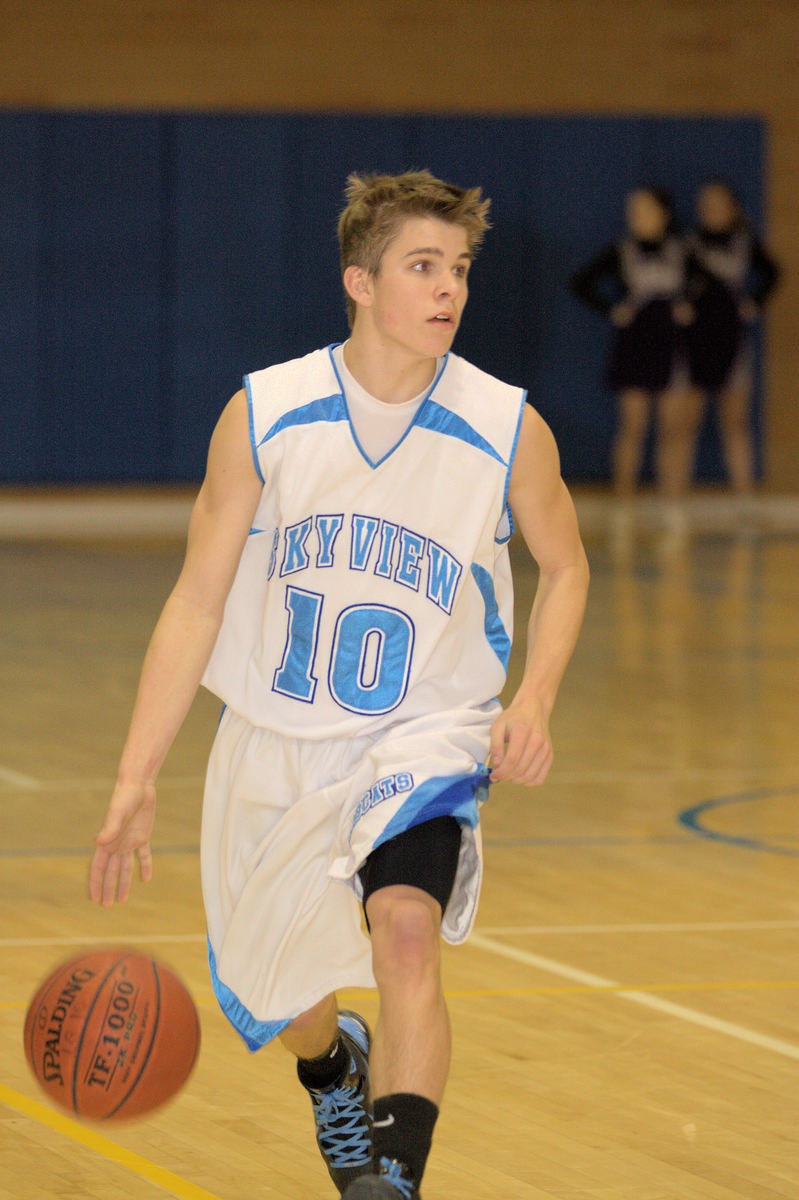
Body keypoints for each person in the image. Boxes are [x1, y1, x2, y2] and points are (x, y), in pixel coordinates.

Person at [89, 170, 589, 1200]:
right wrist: (137, 775)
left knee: (405, 928)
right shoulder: (268, 414)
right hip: (274, 737)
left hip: (425, 731)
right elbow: (194, 602)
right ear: (359, 282)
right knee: (284, 1002)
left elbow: (568, 564)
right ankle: (331, 1065)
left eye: (457, 269)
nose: (447, 288)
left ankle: (391, 1180)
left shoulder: (504, 427)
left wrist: (532, 696)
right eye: (421, 267)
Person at [571, 187, 695, 497]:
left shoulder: (682, 251)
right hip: (635, 343)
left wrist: (687, 304)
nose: (635, 217)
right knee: (633, 426)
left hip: (670, 344)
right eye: (633, 211)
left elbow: (711, 285)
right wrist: (613, 309)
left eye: (644, 210)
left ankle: (673, 501)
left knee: (672, 428)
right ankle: (623, 499)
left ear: (664, 214)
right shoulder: (622, 250)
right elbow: (581, 281)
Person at [683, 179, 780, 494]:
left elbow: (772, 274)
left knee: (735, 422)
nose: (709, 211)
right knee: (684, 423)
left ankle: (744, 496)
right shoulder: (687, 244)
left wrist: (753, 302)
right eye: (705, 204)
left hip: (730, 339)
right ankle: (673, 500)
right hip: (693, 342)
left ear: (733, 208)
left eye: (717, 204)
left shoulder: (745, 243)